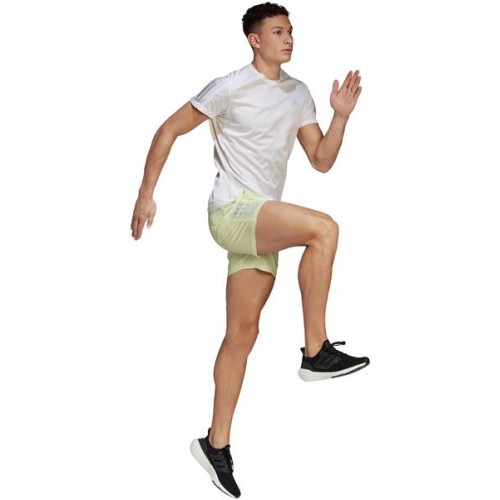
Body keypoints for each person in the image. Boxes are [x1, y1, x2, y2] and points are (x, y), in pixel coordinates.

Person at [131, 2, 369, 497]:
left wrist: (340, 117)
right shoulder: (229, 87)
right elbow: (168, 130)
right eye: (278, 31)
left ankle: (215, 443)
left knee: (242, 335)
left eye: (291, 31)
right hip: (233, 211)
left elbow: (321, 160)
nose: (289, 38)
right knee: (324, 229)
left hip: (262, 223)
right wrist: (145, 194)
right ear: (254, 40)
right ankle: (315, 350)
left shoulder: (298, 93)